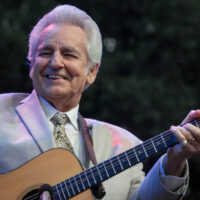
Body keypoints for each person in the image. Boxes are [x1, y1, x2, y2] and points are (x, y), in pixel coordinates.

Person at [0, 4, 200, 200]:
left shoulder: (122, 145)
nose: (55, 62)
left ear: (92, 72)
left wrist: (174, 160)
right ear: (31, 61)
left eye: (68, 54)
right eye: (45, 52)